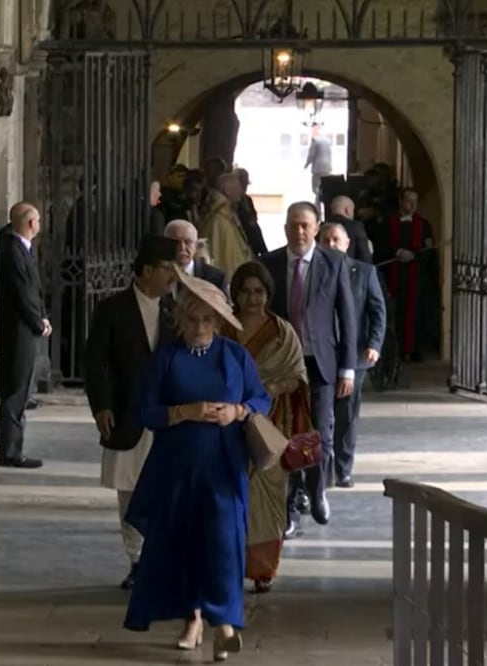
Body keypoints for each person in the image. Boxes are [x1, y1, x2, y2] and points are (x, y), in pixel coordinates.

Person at [124, 272, 271, 662]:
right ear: (181, 320)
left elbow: (261, 399)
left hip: (224, 465)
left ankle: (224, 623)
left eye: (207, 320)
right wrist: (183, 411)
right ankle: (192, 619)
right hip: (177, 465)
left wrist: (238, 411)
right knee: (184, 541)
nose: (200, 327)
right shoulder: (167, 358)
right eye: (192, 319)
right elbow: (145, 411)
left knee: (223, 541)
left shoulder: (235, 356)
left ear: (219, 322)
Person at [84, 235, 180, 590]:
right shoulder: (113, 309)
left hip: (168, 414)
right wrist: (102, 406)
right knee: (129, 488)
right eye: (166, 269)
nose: (171, 276)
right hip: (127, 411)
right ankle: (137, 558)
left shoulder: (176, 310)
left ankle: (161, 555)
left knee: (167, 487)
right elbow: (97, 362)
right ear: (146, 271)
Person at [259, 202, 356, 535]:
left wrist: (348, 369)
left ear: (316, 228)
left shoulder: (334, 263)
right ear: (285, 227)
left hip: (321, 362)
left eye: (305, 225)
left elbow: (347, 316)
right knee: (288, 435)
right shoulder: (269, 264)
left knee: (319, 434)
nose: (298, 231)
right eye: (293, 225)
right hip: (285, 364)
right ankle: (291, 504)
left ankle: (316, 491)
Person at [222, 262, 312, 593]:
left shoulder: (281, 331)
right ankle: (229, 564)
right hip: (227, 427)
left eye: (258, 291)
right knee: (230, 497)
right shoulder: (223, 327)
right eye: (245, 290)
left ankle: (262, 570)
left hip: (270, 428)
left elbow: (299, 375)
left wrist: (270, 389)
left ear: (268, 294)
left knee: (268, 499)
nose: (252, 298)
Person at [319, 223, 386, 487]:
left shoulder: (365, 272)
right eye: (325, 240)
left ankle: (343, 467)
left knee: (346, 414)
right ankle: (321, 466)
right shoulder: (313, 272)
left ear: (347, 244)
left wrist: (374, 344)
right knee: (323, 413)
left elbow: (377, 311)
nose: (331, 245)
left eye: (336, 240)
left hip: (355, 354)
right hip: (323, 354)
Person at [0, 202, 51, 468]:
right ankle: (10, 452)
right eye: (37, 220)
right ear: (30, 224)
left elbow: (34, 291)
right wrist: (38, 322)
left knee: (21, 389)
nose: (39, 225)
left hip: (26, 328)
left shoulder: (22, 249)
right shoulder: (12, 252)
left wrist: (43, 318)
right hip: (18, 331)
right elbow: (22, 294)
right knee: (15, 389)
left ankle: (13, 448)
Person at [377, 187, 437, 361]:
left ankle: (414, 349)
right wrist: (396, 253)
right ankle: (395, 351)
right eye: (409, 201)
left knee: (416, 313)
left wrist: (414, 255)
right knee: (395, 313)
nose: (412, 205)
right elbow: (381, 247)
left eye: (415, 202)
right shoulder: (388, 222)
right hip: (394, 276)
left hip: (416, 277)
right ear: (401, 201)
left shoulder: (423, 225)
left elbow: (429, 250)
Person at [164, 219, 227, 293]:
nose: (182, 247)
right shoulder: (154, 276)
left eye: (188, 242)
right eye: (176, 242)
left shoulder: (216, 278)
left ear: (196, 246)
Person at [326, 194, 372, 264]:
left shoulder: (322, 227)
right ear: (347, 210)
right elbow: (364, 256)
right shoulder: (355, 227)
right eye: (352, 210)